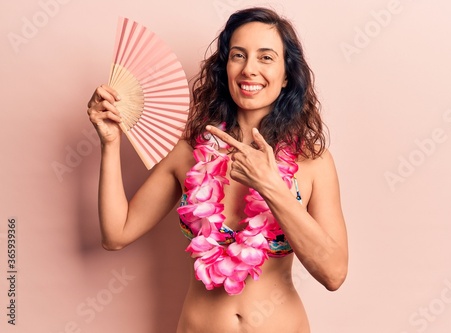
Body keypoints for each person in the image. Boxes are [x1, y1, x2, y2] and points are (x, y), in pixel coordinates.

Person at [86, 7, 348, 333]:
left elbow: (334, 274)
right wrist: (109, 144)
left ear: (285, 76)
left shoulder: (313, 163)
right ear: (226, 68)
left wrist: (271, 188)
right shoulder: (188, 153)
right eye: (238, 55)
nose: (249, 69)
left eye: (265, 58)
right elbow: (116, 234)